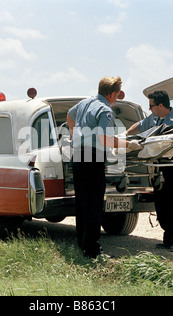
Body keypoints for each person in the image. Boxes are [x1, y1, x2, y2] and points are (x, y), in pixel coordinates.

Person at [67, 76, 142, 258]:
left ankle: (83, 245)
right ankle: (93, 250)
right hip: (93, 156)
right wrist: (129, 145)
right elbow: (106, 139)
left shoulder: (85, 103)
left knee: (83, 202)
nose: (117, 98)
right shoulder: (105, 110)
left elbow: (70, 116)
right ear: (111, 93)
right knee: (94, 204)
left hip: (78, 154)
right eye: (117, 94)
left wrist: (74, 134)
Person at [126, 90, 173, 252]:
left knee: (172, 199)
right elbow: (140, 126)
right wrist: (125, 135)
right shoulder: (153, 118)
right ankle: (167, 239)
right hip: (159, 163)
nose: (149, 108)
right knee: (160, 199)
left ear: (160, 105)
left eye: (151, 106)